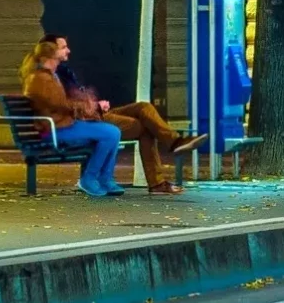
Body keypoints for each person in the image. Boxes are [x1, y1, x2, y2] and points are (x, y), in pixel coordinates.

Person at [49, 37, 198, 193]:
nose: (68, 50)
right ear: (51, 50)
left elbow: (77, 99)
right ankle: (157, 181)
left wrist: (96, 104)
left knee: (144, 107)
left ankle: (175, 142)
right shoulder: (51, 76)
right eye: (64, 47)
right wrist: (94, 106)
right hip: (88, 120)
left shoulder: (64, 71)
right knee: (145, 127)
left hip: (95, 113)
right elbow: (64, 107)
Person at [21, 38, 127, 197]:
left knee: (113, 132)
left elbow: (62, 104)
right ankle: (90, 178)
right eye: (64, 48)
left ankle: (104, 178)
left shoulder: (50, 76)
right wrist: (89, 105)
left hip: (63, 124)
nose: (68, 51)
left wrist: (86, 103)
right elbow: (60, 104)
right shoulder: (40, 79)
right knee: (110, 133)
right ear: (52, 53)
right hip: (55, 129)